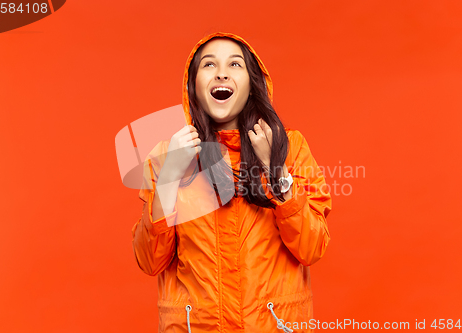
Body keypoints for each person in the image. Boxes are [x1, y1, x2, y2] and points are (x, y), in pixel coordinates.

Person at [131, 32, 332, 333]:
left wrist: (276, 173)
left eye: (234, 65)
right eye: (209, 65)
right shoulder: (167, 155)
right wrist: (169, 178)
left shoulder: (289, 147)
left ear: (252, 85)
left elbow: (312, 248)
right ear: (193, 86)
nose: (222, 72)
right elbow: (149, 260)